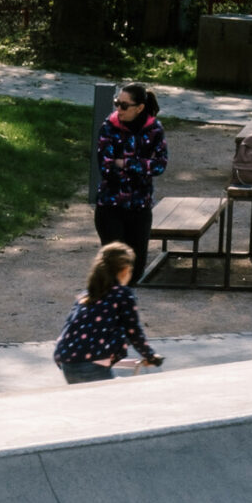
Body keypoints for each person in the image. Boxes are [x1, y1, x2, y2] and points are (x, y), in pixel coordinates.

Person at [54, 240, 166, 383]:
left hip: (67, 361)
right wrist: (150, 356)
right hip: (92, 363)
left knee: (86, 401)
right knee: (108, 402)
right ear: (125, 269)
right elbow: (133, 331)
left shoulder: (86, 295)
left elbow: (70, 328)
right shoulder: (123, 294)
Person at [94, 82, 168, 276]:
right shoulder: (109, 127)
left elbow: (160, 165)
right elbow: (106, 167)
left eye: (124, 105)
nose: (119, 109)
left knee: (135, 271)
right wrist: (141, 169)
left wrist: (126, 163)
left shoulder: (155, 130)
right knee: (114, 267)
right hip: (110, 205)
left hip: (140, 208)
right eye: (117, 102)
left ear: (140, 108)